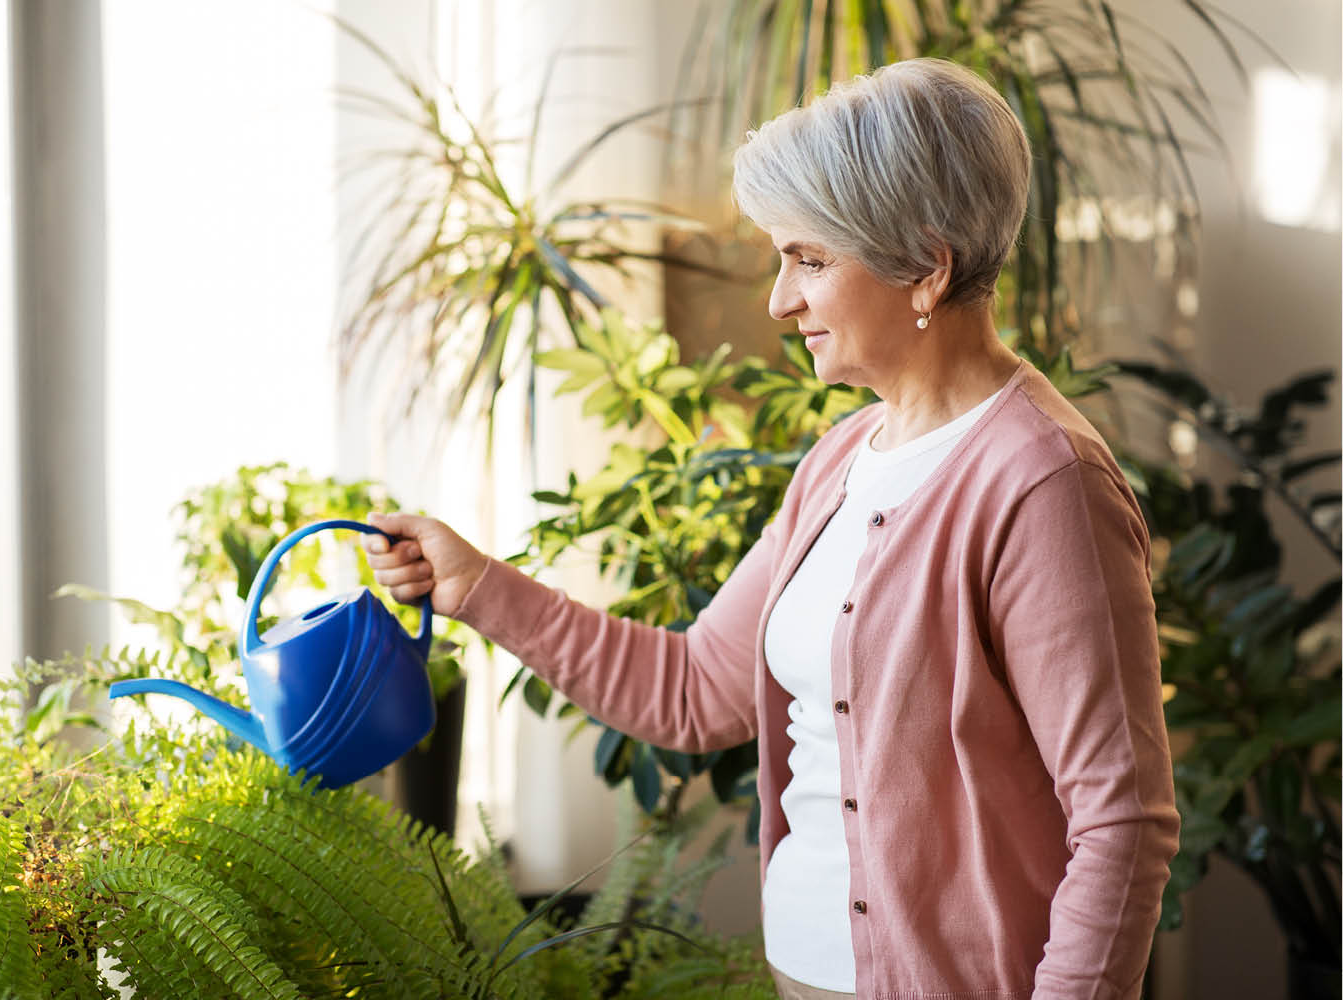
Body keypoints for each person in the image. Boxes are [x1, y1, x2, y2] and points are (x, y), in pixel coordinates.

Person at [363, 57, 1178, 1000]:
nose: (780, 301)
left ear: (926, 265)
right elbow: (695, 689)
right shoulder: (840, 461)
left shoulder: (1042, 484)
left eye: (811, 259)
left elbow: (1121, 821)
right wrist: (476, 589)